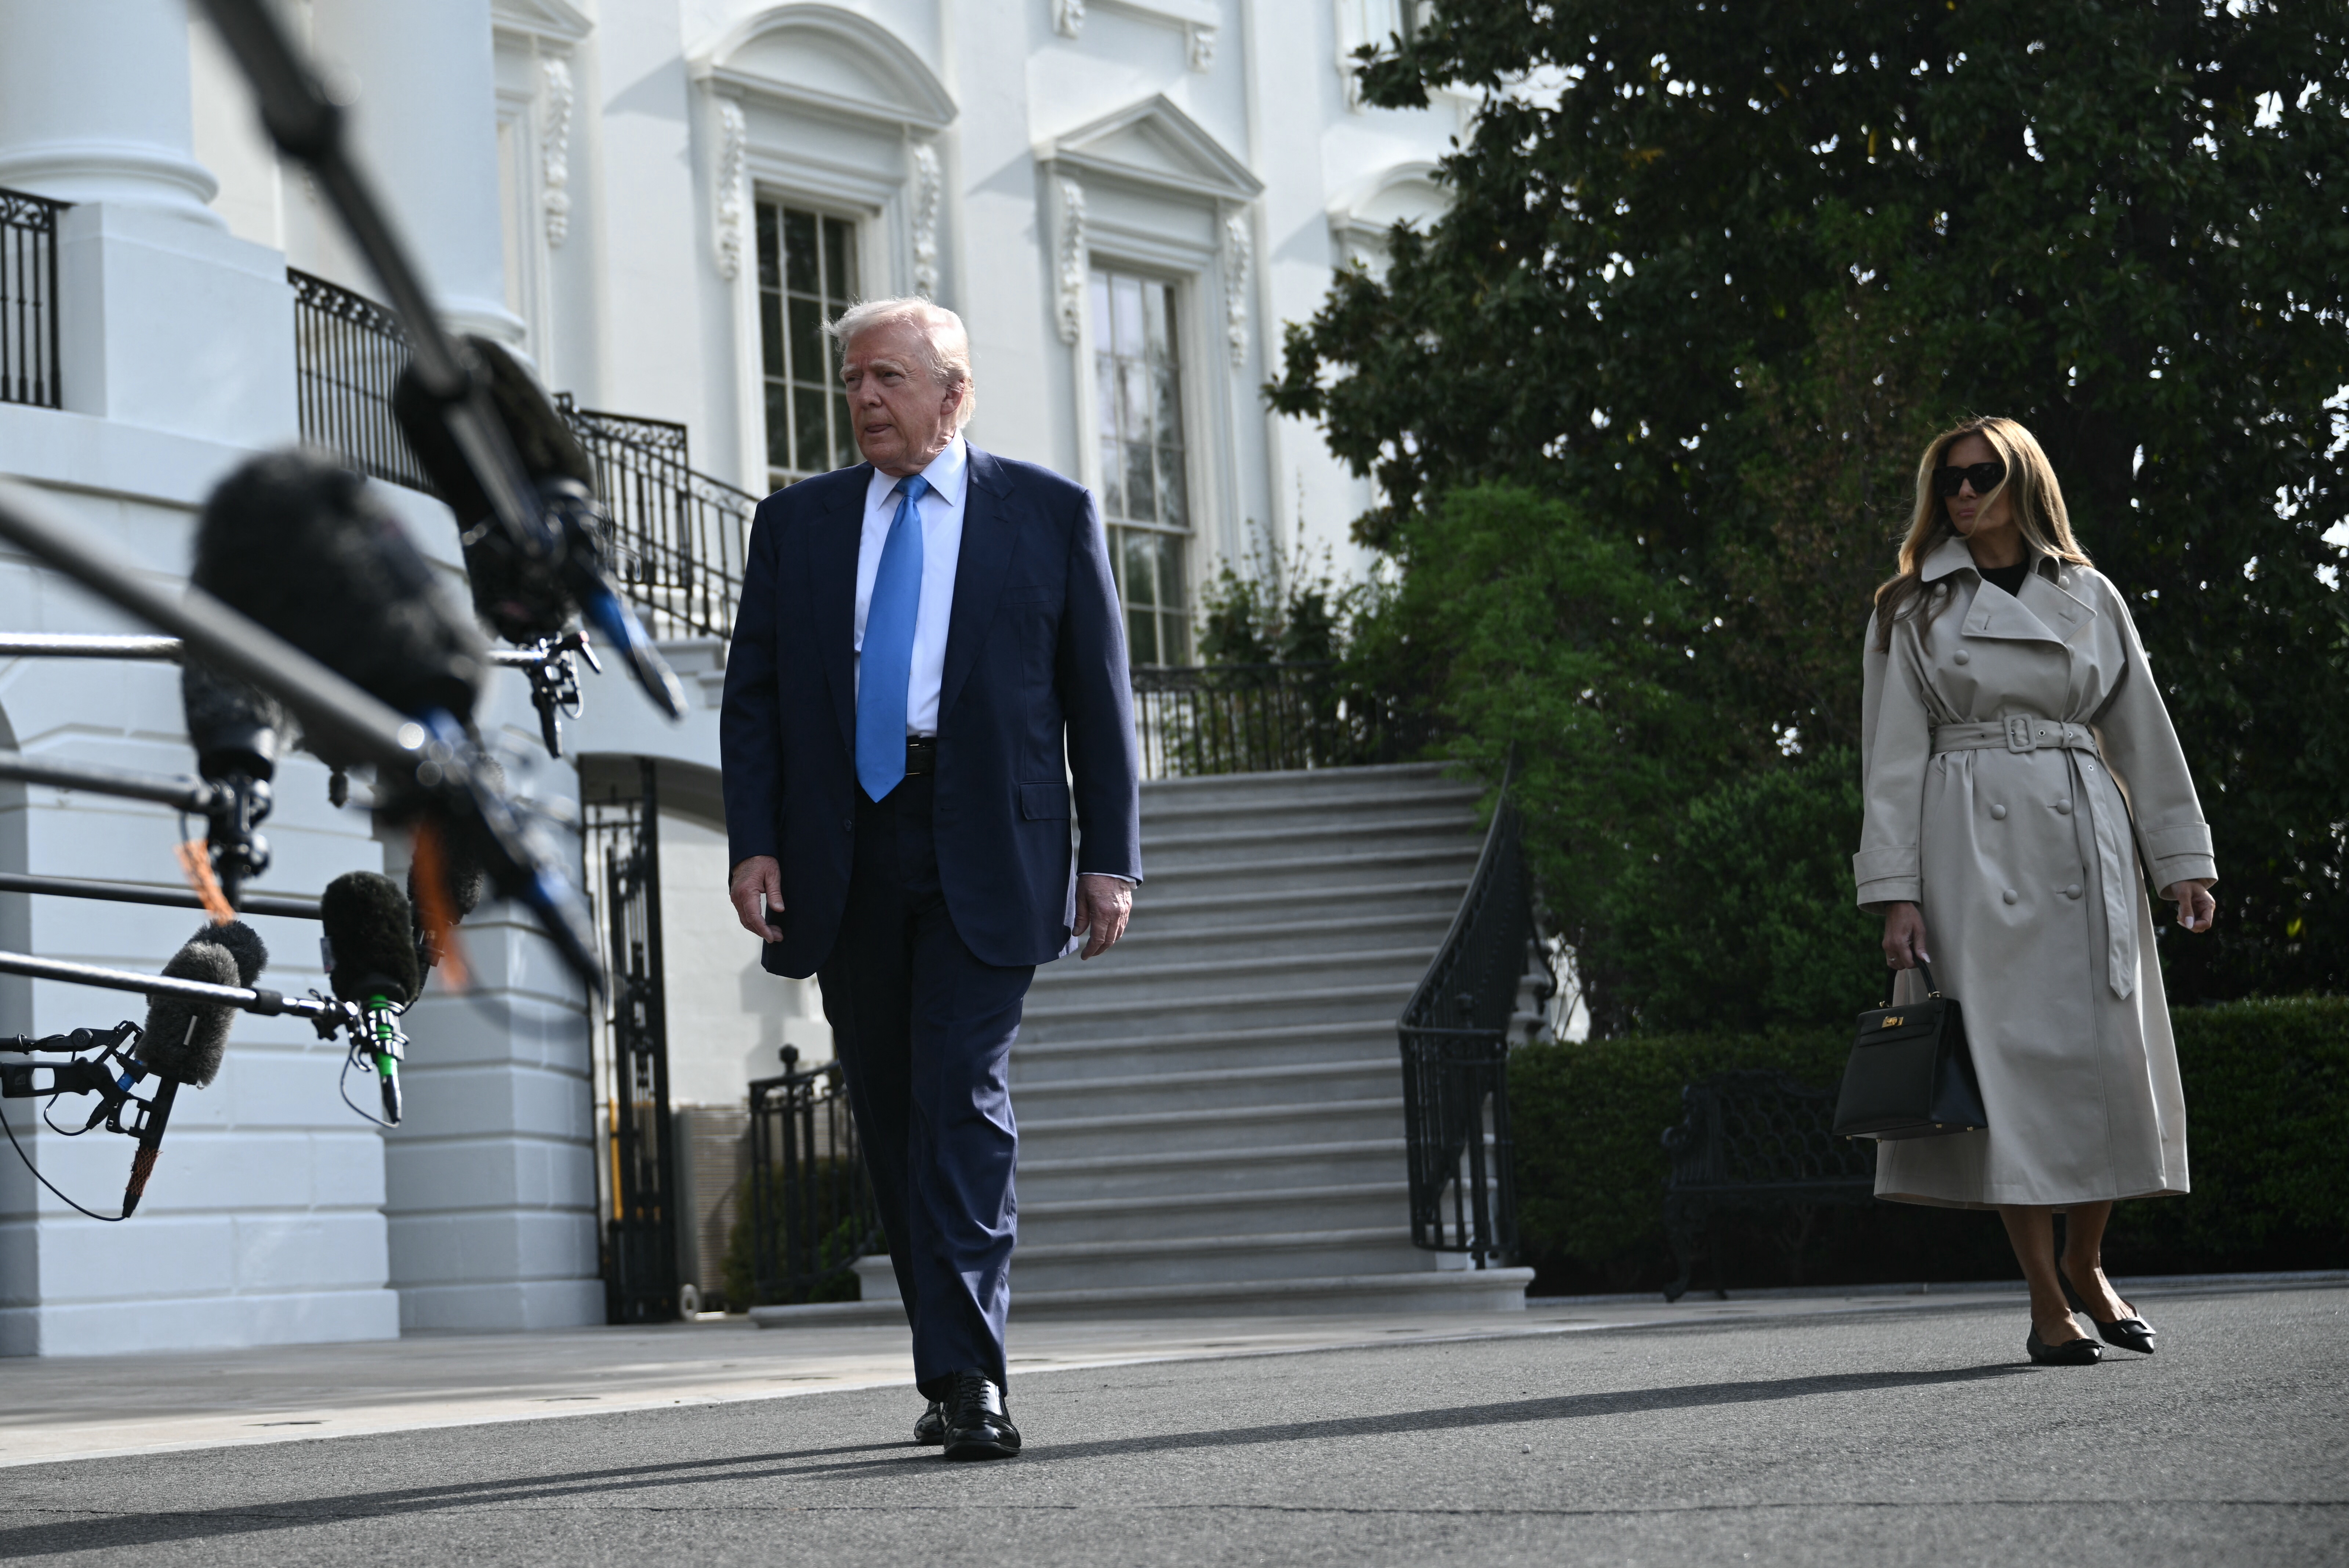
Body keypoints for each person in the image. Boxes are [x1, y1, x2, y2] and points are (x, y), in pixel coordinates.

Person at [719, 297, 1141, 1457]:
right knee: (896, 1111)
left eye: (889, 378)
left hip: (989, 841)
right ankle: (946, 1358)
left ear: (954, 395)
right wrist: (754, 841)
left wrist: (1109, 857)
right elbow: (752, 695)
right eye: (853, 380)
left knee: (960, 1096)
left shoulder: (1047, 515)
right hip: (843, 846)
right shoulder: (797, 524)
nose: (864, 399)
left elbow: (1096, 704)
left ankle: (970, 1378)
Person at [1854, 416, 2217, 1367]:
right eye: (1949, 482)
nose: (1964, 495)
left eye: (1982, 476)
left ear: (2022, 481)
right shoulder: (1912, 608)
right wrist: (1897, 892)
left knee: (2100, 1058)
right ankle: (2045, 1294)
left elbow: (2141, 724)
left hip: (2082, 824)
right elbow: (1890, 762)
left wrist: (2181, 860)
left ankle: (2091, 1263)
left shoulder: (2089, 594)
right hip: (1970, 840)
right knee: (2008, 1076)